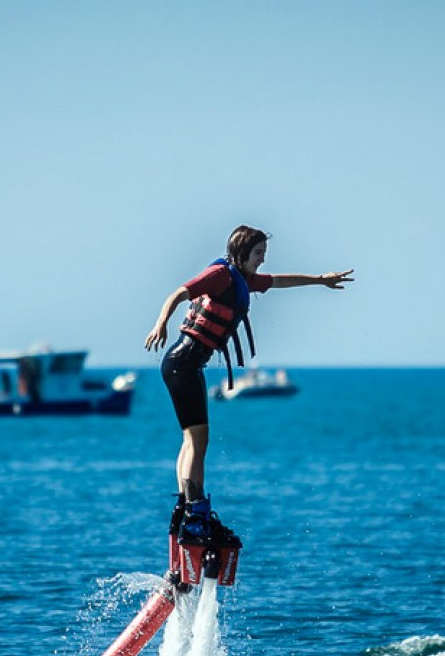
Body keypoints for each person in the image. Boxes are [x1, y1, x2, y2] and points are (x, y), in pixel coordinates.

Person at [145, 225, 353, 542]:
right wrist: (161, 324)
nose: (262, 261)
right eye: (258, 254)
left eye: (263, 255)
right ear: (241, 252)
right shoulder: (220, 275)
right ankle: (192, 510)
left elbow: (281, 280)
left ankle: (188, 508)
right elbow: (179, 293)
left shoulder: (244, 280)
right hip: (181, 363)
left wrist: (320, 280)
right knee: (197, 440)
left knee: (194, 440)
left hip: (188, 366)